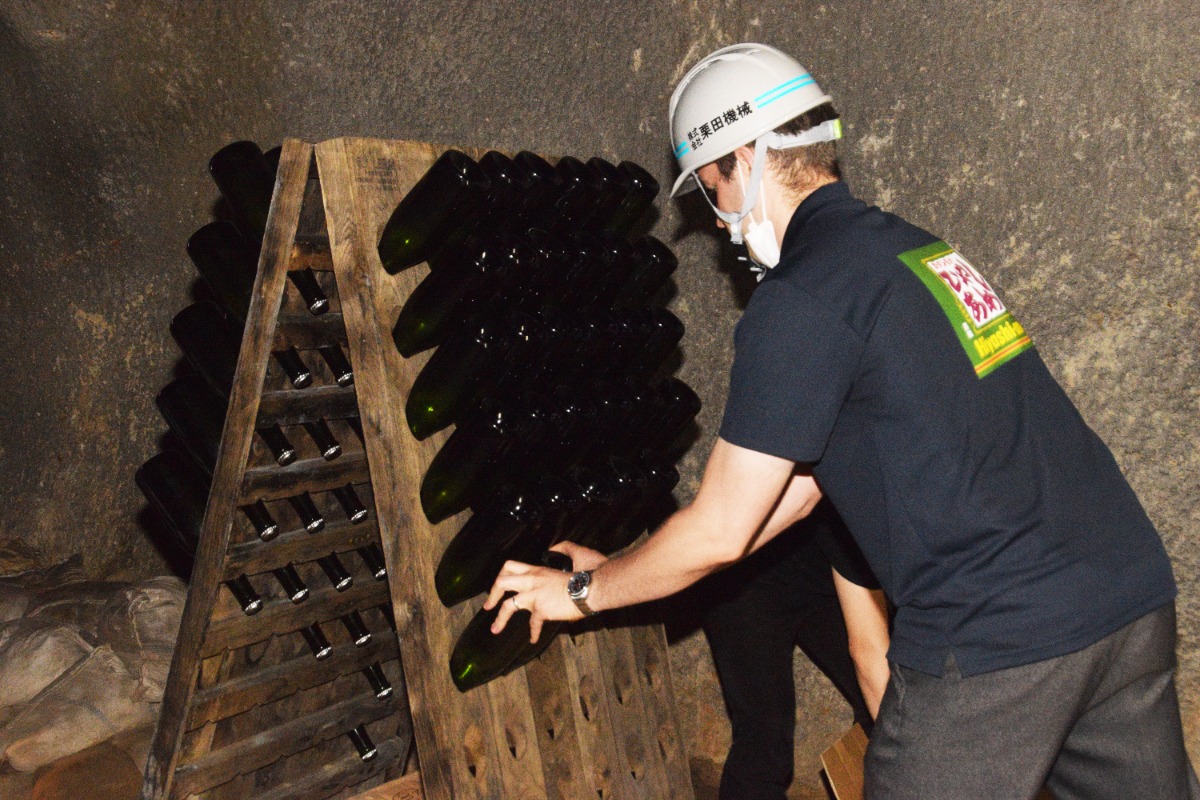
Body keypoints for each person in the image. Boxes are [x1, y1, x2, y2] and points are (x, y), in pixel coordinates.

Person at [485, 43, 1197, 799]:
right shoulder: (916, 252)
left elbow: (721, 528)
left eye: (713, 191)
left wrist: (580, 594)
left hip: (996, 632)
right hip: (1124, 594)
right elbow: (793, 496)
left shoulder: (802, 296)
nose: (719, 221)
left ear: (743, 159)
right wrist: (625, 571)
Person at [700, 498, 887, 800]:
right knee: (763, 740)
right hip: (748, 578)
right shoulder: (873, 512)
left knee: (891, 706)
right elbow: (868, 652)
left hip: (829, 577)